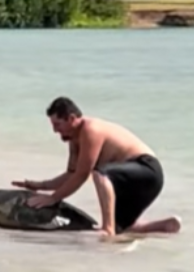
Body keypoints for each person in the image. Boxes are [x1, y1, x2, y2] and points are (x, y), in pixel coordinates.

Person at [13, 97, 182, 238]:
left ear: (71, 119)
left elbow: (83, 174)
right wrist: (41, 185)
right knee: (123, 229)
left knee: (101, 174)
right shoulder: (74, 139)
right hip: (135, 180)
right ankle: (165, 226)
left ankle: (106, 229)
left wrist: (53, 198)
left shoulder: (90, 130)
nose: (55, 131)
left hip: (147, 169)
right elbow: (72, 174)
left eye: (57, 125)